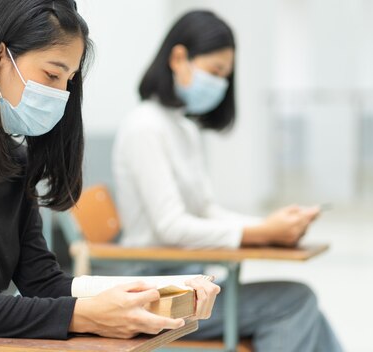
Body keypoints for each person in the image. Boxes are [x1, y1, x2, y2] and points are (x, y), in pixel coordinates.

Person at [0, 0, 219, 340]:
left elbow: (43, 282)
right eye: (52, 74)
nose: (60, 94)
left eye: (68, 80)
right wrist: (83, 316)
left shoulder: (13, 160)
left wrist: (164, 289)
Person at [112, 10, 343, 351]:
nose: (220, 83)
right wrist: (262, 234)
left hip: (187, 281)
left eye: (225, 75)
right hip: (159, 291)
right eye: (215, 71)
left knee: (309, 311)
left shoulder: (182, 128)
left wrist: (269, 228)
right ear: (179, 58)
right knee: (295, 301)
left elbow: (206, 210)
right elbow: (170, 227)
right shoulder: (145, 127)